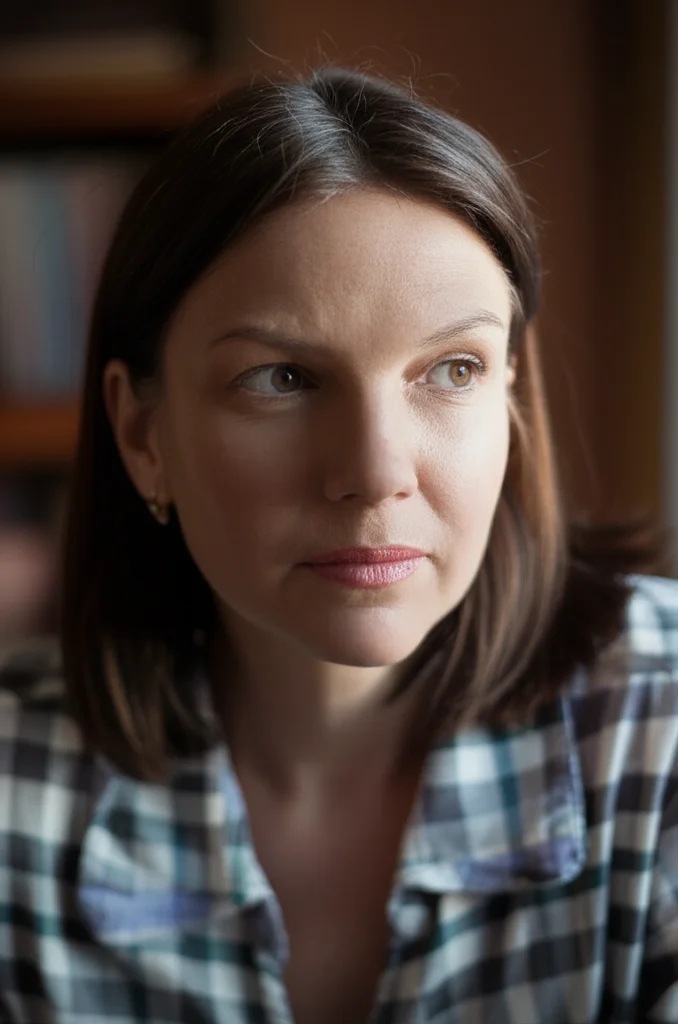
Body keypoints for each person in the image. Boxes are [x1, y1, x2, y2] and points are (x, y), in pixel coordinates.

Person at [0, 66, 676, 1024]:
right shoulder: (13, 792)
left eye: (452, 369)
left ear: (512, 402)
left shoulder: (663, 731)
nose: (374, 470)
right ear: (142, 434)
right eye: (279, 378)